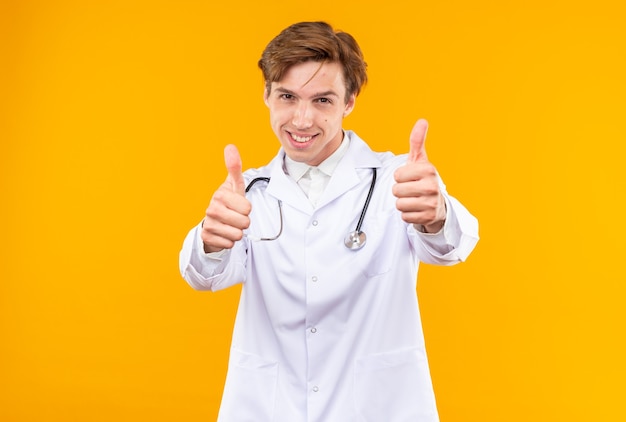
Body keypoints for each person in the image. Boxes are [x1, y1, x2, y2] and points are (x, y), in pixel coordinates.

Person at [179, 21, 479, 422]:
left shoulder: (398, 178)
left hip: (377, 407)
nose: (302, 120)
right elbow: (203, 276)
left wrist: (437, 216)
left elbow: (450, 248)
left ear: (350, 101)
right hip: (270, 408)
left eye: (322, 101)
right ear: (267, 94)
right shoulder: (248, 193)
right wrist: (210, 241)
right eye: (288, 96)